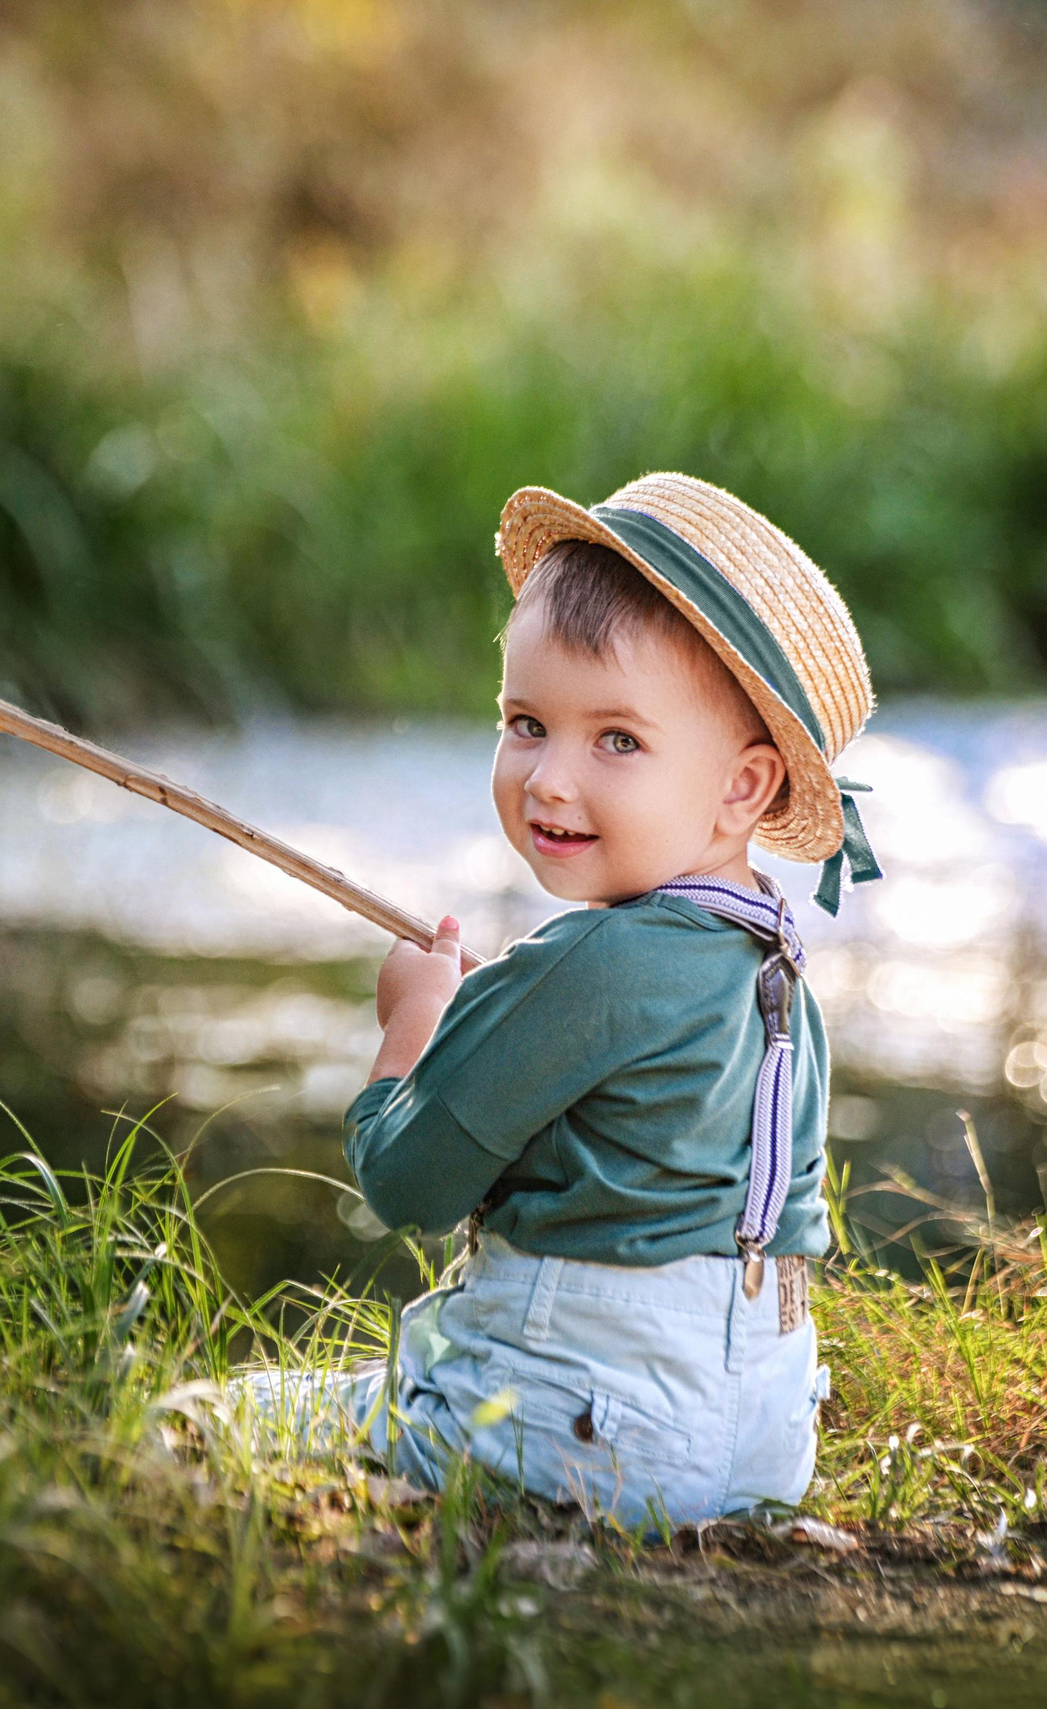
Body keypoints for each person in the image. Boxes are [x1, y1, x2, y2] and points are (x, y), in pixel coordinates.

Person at [241, 472, 882, 1534]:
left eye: (616, 740)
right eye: (525, 721)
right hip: (763, 1436)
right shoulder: (774, 963)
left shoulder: (585, 960)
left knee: (215, 1417)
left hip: (585, 1431)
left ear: (744, 787)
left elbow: (406, 1182)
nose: (546, 779)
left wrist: (412, 1021)